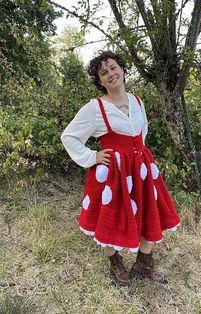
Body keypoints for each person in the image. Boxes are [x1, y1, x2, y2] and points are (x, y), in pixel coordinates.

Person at [61, 51, 180, 285]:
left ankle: (143, 264)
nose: (110, 74)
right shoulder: (95, 108)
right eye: (103, 73)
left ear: (123, 70)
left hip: (140, 169)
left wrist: (139, 156)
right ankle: (115, 263)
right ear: (100, 81)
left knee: (149, 211)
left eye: (113, 68)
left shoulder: (137, 101)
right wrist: (92, 156)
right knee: (108, 217)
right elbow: (70, 136)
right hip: (112, 173)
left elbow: (142, 131)